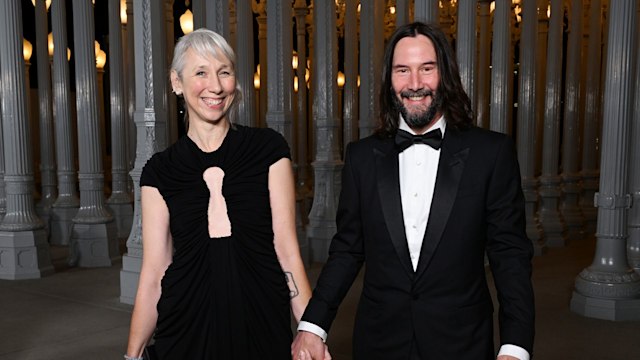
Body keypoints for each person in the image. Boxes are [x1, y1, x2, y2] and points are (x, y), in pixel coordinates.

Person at [291, 22, 535, 360]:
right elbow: (347, 249)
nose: (415, 84)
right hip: (379, 341)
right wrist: (312, 325)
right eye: (402, 70)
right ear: (390, 81)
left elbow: (510, 256)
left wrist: (515, 346)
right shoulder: (361, 157)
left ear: (445, 75)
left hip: (461, 341)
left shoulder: (491, 154)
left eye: (427, 69)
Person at [125, 28, 313, 359]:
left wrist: (311, 330)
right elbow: (155, 271)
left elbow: (287, 251)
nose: (215, 85)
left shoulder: (268, 149)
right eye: (201, 72)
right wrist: (132, 354)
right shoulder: (159, 171)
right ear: (176, 82)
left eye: (224, 72)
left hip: (261, 322)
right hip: (185, 328)